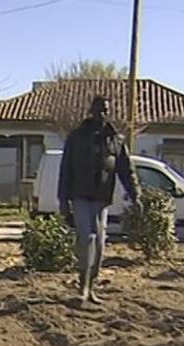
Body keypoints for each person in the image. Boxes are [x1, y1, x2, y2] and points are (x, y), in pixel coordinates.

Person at [57, 95, 141, 305]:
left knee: (100, 244)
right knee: (87, 239)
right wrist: (63, 200)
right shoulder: (76, 137)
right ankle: (82, 288)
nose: (101, 114)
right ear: (90, 111)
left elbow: (126, 169)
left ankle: (92, 287)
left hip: (101, 198)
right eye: (98, 109)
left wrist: (135, 194)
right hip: (80, 196)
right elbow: (66, 169)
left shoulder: (115, 139)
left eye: (105, 110)